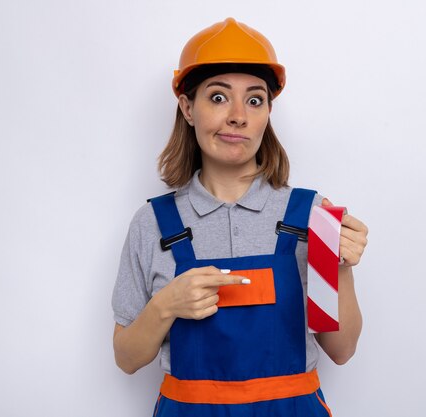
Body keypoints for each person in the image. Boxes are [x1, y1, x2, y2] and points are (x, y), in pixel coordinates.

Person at [112, 17, 369, 416]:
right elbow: (127, 358)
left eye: (254, 99)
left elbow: (342, 350)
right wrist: (167, 305)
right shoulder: (153, 223)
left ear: (268, 112)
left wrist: (341, 266)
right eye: (218, 97)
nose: (238, 116)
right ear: (187, 108)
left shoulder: (311, 216)